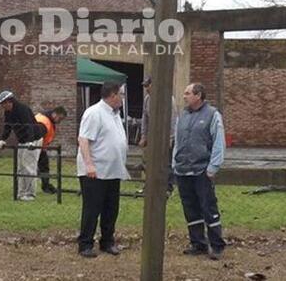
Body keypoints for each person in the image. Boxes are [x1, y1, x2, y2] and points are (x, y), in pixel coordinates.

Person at [172, 83, 227, 260]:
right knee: (190, 209)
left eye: (187, 93)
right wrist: (175, 163)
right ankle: (198, 243)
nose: (184, 96)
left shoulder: (212, 115)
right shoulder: (183, 115)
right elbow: (178, 141)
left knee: (208, 207)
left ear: (198, 95)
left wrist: (213, 167)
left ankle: (217, 245)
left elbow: (219, 142)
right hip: (183, 170)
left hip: (202, 171)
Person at [76, 81, 129, 258]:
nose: (122, 98)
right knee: (92, 208)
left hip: (112, 170)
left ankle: (107, 241)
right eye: (121, 94)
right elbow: (83, 140)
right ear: (113, 95)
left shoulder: (114, 114)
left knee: (111, 208)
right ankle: (85, 244)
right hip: (96, 170)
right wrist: (89, 164)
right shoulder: (94, 113)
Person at [0, 90, 46, 201]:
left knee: (29, 167)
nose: (2, 106)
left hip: (33, 139)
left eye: (3, 104)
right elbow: (8, 126)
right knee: (20, 168)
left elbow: (29, 126)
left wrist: (31, 142)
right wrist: (3, 139)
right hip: (23, 140)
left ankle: (30, 194)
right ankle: (21, 192)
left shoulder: (22, 109)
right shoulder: (8, 112)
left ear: (9, 101)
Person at [138, 75, 178, 196]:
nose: (146, 88)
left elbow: (173, 119)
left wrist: (170, 138)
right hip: (153, 136)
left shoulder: (168, 99)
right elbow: (145, 118)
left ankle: (168, 187)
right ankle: (149, 185)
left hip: (166, 136)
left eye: (148, 85)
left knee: (166, 162)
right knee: (150, 161)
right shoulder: (147, 99)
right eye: (145, 86)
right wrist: (144, 136)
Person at [34, 106, 68, 194]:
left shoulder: (44, 118)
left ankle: (45, 186)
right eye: (60, 118)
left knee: (43, 167)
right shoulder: (45, 122)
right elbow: (37, 136)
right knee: (38, 168)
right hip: (35, 147)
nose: (60, 121)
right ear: (54, 114)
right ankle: (41, 187)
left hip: (39, 148)